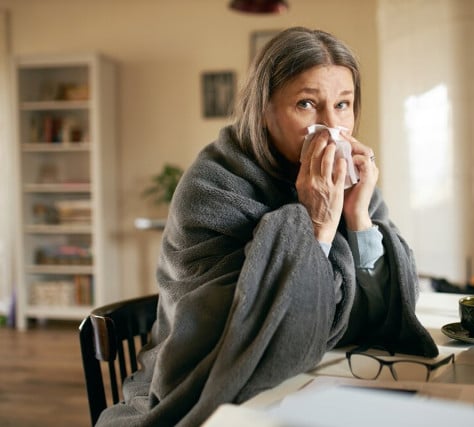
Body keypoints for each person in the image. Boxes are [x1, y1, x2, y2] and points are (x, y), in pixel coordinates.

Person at [97, 27, 438, 426]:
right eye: (307, 104)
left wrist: (359, 220)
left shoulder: (349, 180)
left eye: (343, 105)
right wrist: (317, 224)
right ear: (263, 110)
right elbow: (245, 336)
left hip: (321, 378)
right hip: (220, 384)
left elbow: (382, 313)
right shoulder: (211, 186)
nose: (331, 127)